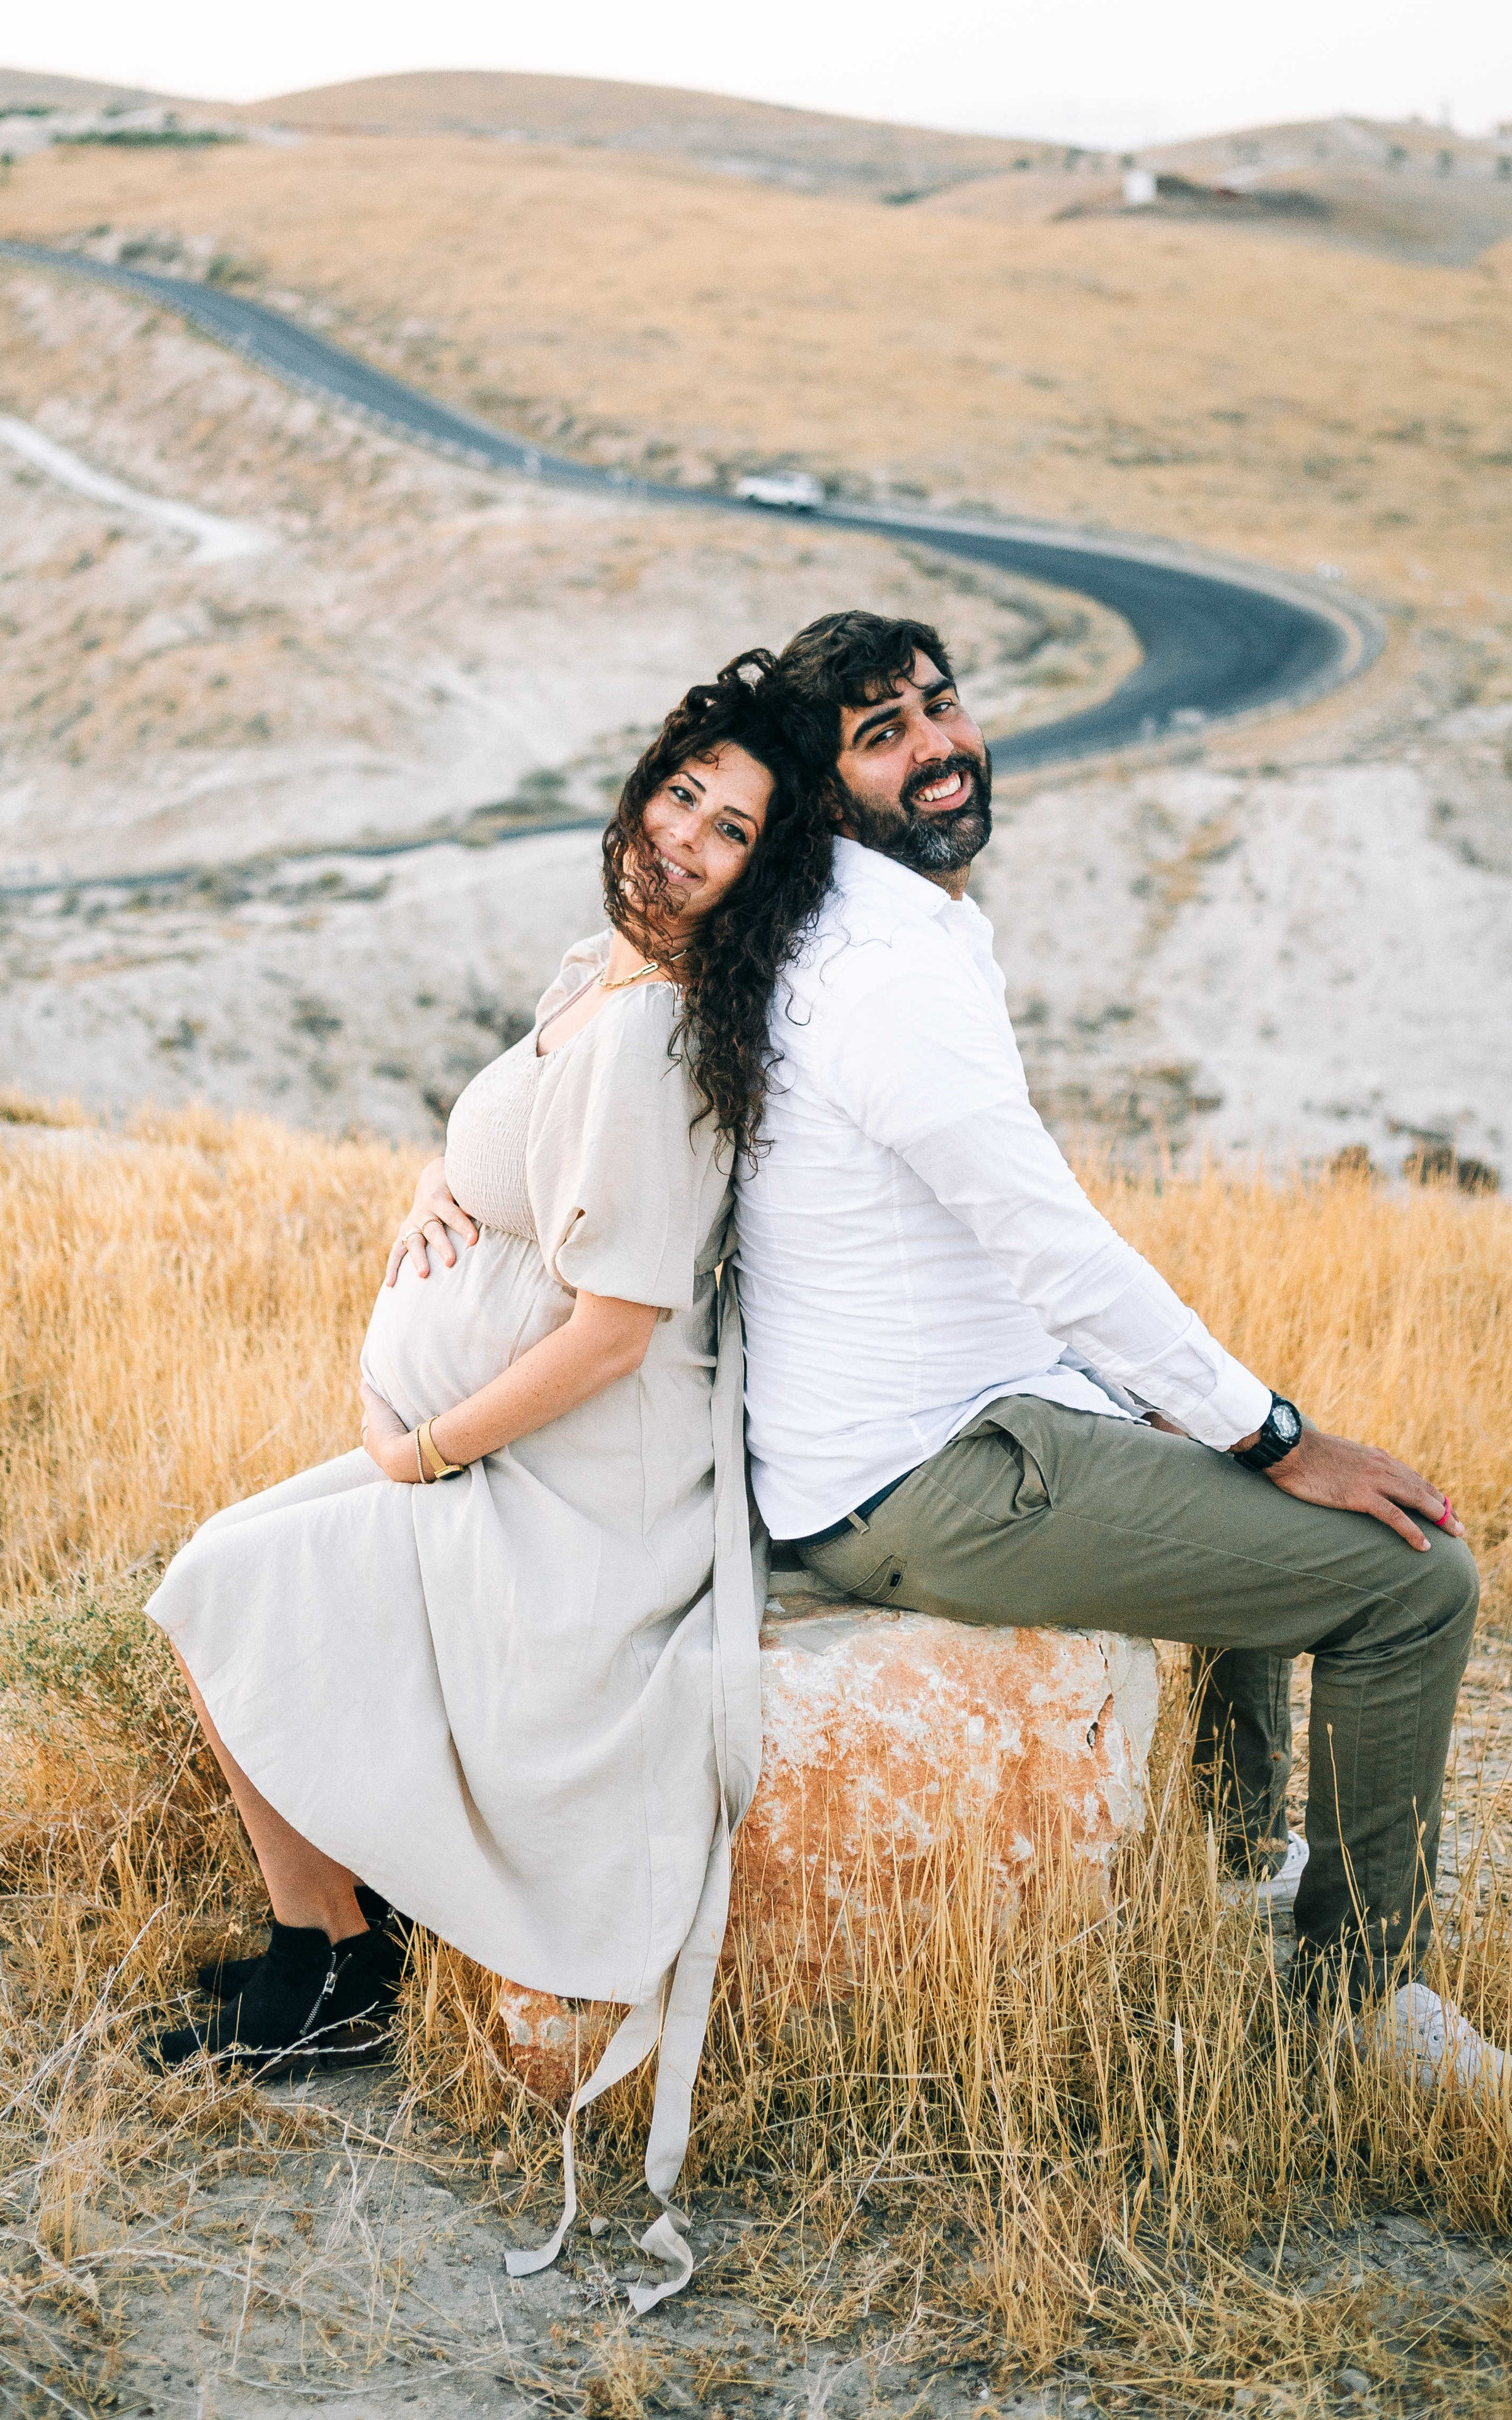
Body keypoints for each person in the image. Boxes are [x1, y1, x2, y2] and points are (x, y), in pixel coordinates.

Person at [733, 608, 1512, 2090]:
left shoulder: (878, 929)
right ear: (827, 787)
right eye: (881, 735)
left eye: (939, 707)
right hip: (922, 1479)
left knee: (1192, 1440)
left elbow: (998, 1262)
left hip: (933, 1432)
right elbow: (1052, 1245)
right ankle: (1358, 2014)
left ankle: (1235, 1869)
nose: (937, 751)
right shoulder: (885, 974)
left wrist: (1190, 1416)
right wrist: (1274, 1433)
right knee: (1412, 1580)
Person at [146, 651, 834, 2305]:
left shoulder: (662, 1036)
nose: (683, 836)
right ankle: (326, 1947)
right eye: (680, 792)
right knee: (218, 1572)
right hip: (509, 1460)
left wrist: (427, 1441)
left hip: (574, 1494)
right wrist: (430, 1202)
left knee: (221, 1582)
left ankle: (332, 1969)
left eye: (731, 831)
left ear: (757, 882)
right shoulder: (593, 982)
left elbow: (615, 1329)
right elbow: (515, 1166)